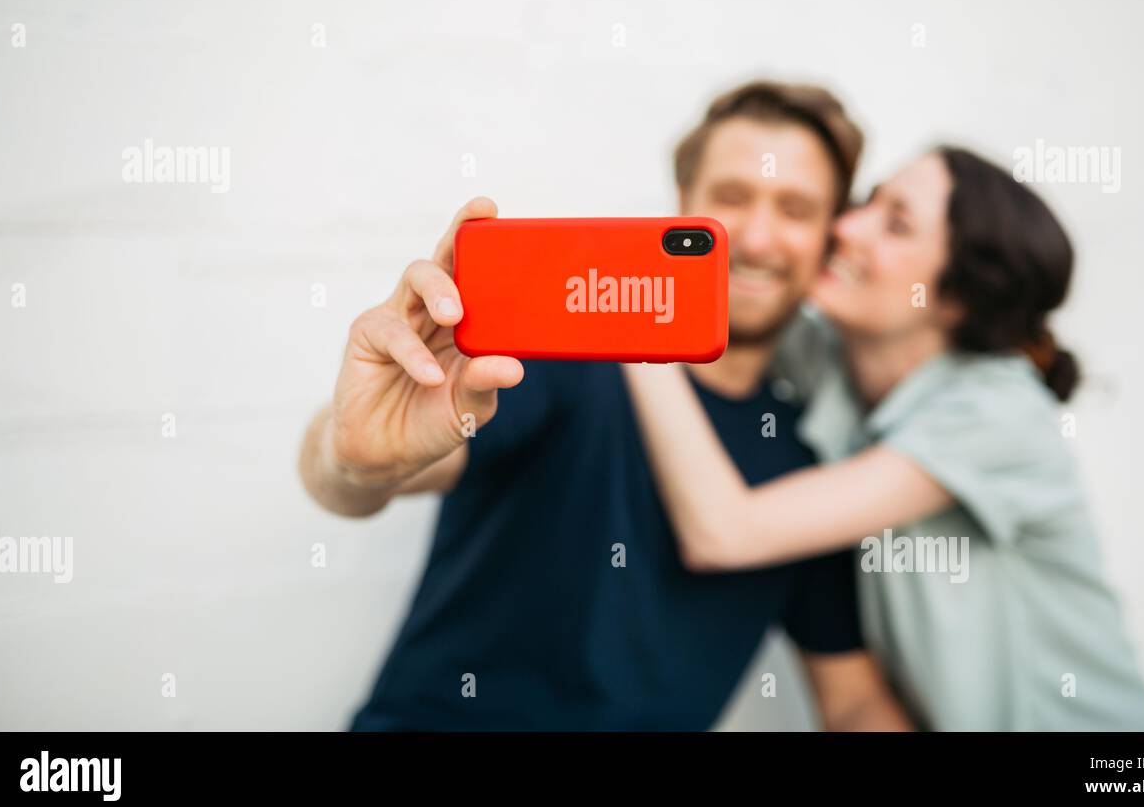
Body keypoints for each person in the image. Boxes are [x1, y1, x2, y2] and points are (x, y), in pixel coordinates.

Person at [298, 81, 911, 730]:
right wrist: (353, 458)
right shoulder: (558, 362)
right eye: (732, 198)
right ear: (682, 209)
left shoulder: (809, 460)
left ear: (829, 238)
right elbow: (366, 477)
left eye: (795, 208)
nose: (758, 239)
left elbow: (853, 702)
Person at [620, 146, 1144, 730]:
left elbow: (725, 533)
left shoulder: (996, 414)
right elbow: (728, 307)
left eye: (896, 224)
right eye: (868, 201)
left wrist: (629, 332)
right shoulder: (827, 357)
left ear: (959, 297)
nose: (845, 226)